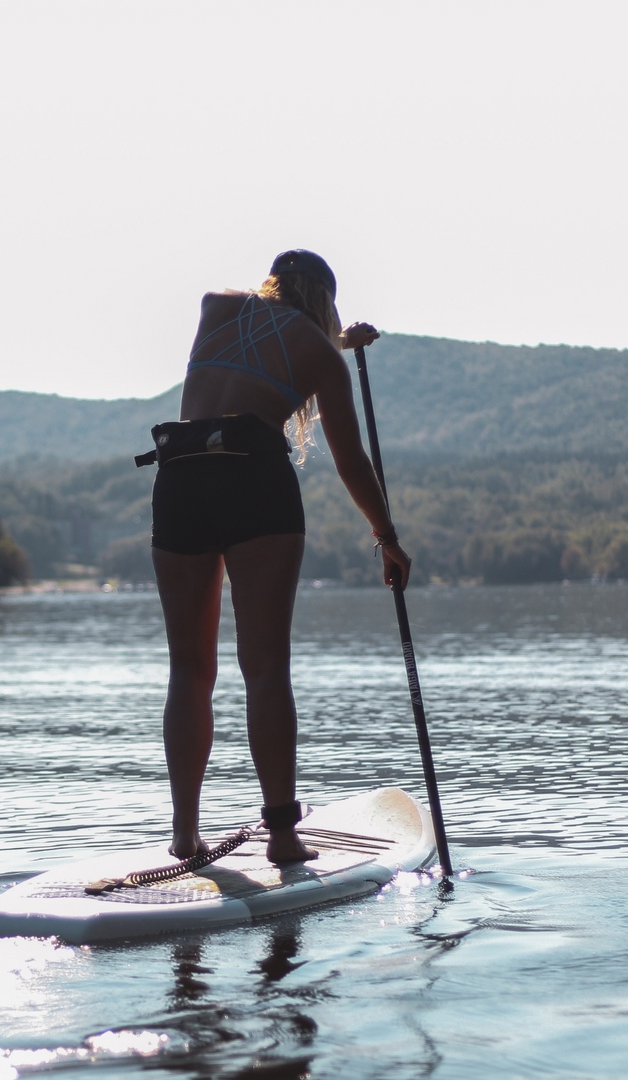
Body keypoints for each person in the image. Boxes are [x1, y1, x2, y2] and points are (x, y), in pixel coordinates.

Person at [148, 249, 412, 865]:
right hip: (254, 481)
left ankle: (185, 834)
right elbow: (350, 462)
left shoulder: (217, 308)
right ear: (325, 302)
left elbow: (259, 343)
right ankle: (283, 836)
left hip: (181, 475)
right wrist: (387, 538)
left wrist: (337, 342)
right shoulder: (317, 353)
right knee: (265, 669)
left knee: (190, 669)